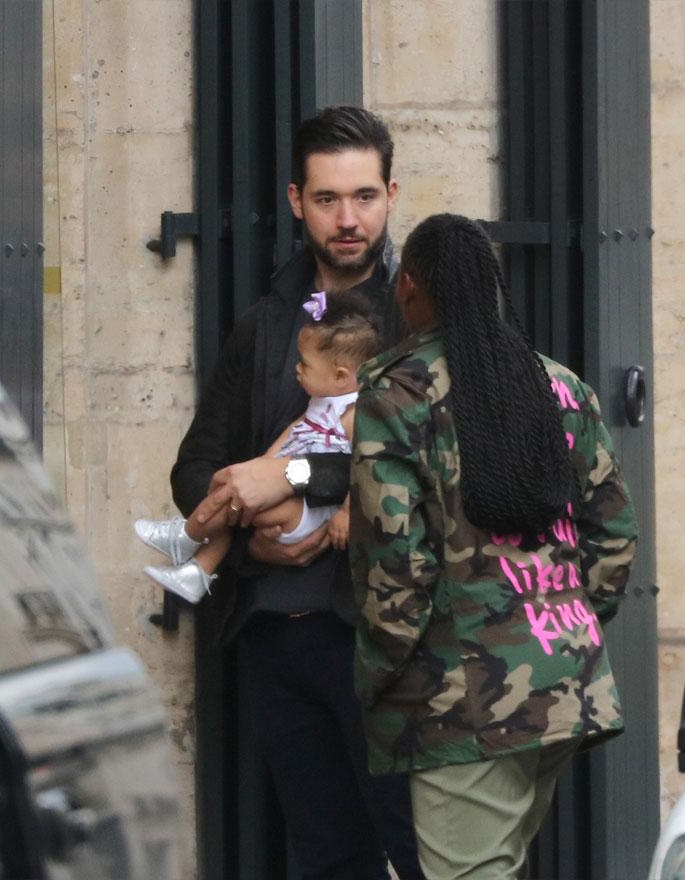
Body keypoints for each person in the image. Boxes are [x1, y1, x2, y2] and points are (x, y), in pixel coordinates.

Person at [167, 106, 420, 880]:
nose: (348, 219)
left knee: (420, 852)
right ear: (294, 201)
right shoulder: (266, 326)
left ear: (391, 194)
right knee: (324, 856)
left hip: (383, 636)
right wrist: (250, 509)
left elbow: (436, 463)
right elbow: (194, 468)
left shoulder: (419, 321)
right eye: (327, 199)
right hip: (275, 632)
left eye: (365, 197)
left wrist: (298, 475)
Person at [349, 213, 639, 880]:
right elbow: (614, 534)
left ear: (414, 287)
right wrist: (561, 623)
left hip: (463, 703)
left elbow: (401, 563)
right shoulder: (561, 387)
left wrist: (374, 673)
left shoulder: (396, 396)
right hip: (563, 679)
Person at [135, 290, 381, 603]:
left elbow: (367, 464)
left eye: (304, 364)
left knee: (231, 508)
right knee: (232, 494)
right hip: (295, 497)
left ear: (340, 375)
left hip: (309, 512)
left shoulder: (354, 414)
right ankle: (197, 571)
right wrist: (261, 465)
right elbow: (295, 430)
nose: (297, 369)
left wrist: (347, 513)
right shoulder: (321, 402)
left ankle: (186, 535)